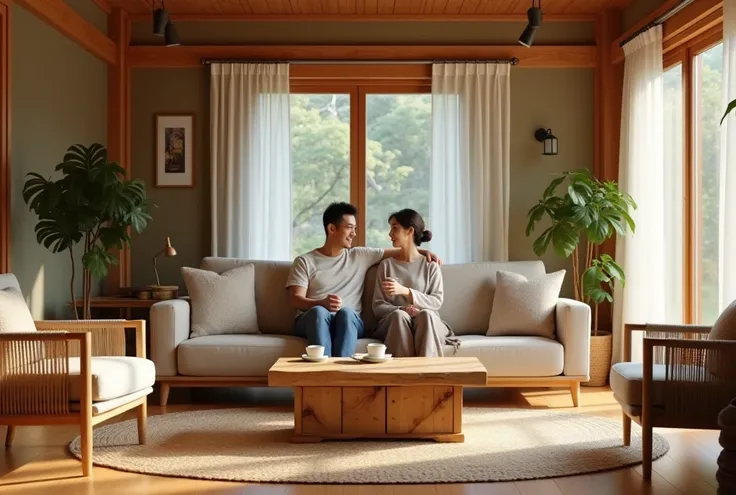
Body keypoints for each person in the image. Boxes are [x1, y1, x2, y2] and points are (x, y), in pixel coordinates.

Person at [285, 202, 440, 357]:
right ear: (332, 228)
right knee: (319, 312)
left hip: (349, 321)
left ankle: (341, 372)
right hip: (313, 320)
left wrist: (422, 250)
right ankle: (324, 374)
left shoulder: (359, 255)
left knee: (346, 312)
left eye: (355, 228)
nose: (353, 233)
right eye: (349, 227)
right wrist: (321, 303)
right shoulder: (305, 261)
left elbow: (399, 251)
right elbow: (295, 300)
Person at [371, 209, 458, 357]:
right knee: (400, 316)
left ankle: (428, 376)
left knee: (425, 315)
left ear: (409, 231)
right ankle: (402, 377)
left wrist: (406, 292)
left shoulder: (430, 265)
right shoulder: (386, 266)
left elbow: (436, 301)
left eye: (395, 228)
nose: (390, 234)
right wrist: (402, 308)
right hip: (395, 322)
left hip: (427, 322)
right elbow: (378, 306)